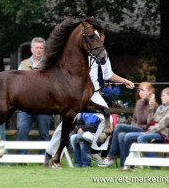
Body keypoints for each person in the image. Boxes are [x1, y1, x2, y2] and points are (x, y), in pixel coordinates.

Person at [44, 17, 135, 167]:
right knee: (66, 124)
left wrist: (124, 81)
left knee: (108, 120)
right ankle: (49, 152)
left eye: (101, 37)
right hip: (78, 94)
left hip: (94, 94)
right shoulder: (83, 51)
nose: (100, 39)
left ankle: (94, 149)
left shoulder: (102, 54)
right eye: (97, 36)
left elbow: (108, 75)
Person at [98, 82, 158, 169]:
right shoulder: (139, 103)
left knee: (118, 127)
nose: (140, 92)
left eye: (143, 90)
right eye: (139, 90)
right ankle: (125, 165)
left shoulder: (153, 105)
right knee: (122, 135)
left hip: (147, 131)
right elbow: (134, 120)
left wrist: (150, 107)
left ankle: (110, 157)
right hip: (137, 129)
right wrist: (132, 128)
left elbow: (146, 122)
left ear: (150, 92)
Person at [17, 37, 53, 154]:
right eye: (36, 48)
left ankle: (43, 158)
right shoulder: (23, 64)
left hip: (44, 106)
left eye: (41, 48)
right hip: (25, 106)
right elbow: (16, 84)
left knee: (44, 133)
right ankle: (21, 159)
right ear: (31, 49)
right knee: (22, 131)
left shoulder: (50, 65)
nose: (39, 50)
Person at [137, 87, 169, 158]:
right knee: (127, 136)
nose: (161, 97)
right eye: (161, 95)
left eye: (163, 95)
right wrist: (151, 109)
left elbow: (162, 125)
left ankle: (154, 164)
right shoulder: (160, 108)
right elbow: (150, 122)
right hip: (154, 131)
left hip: (164, 134)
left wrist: (148, 132)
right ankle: (127, 165)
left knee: (141, 138)